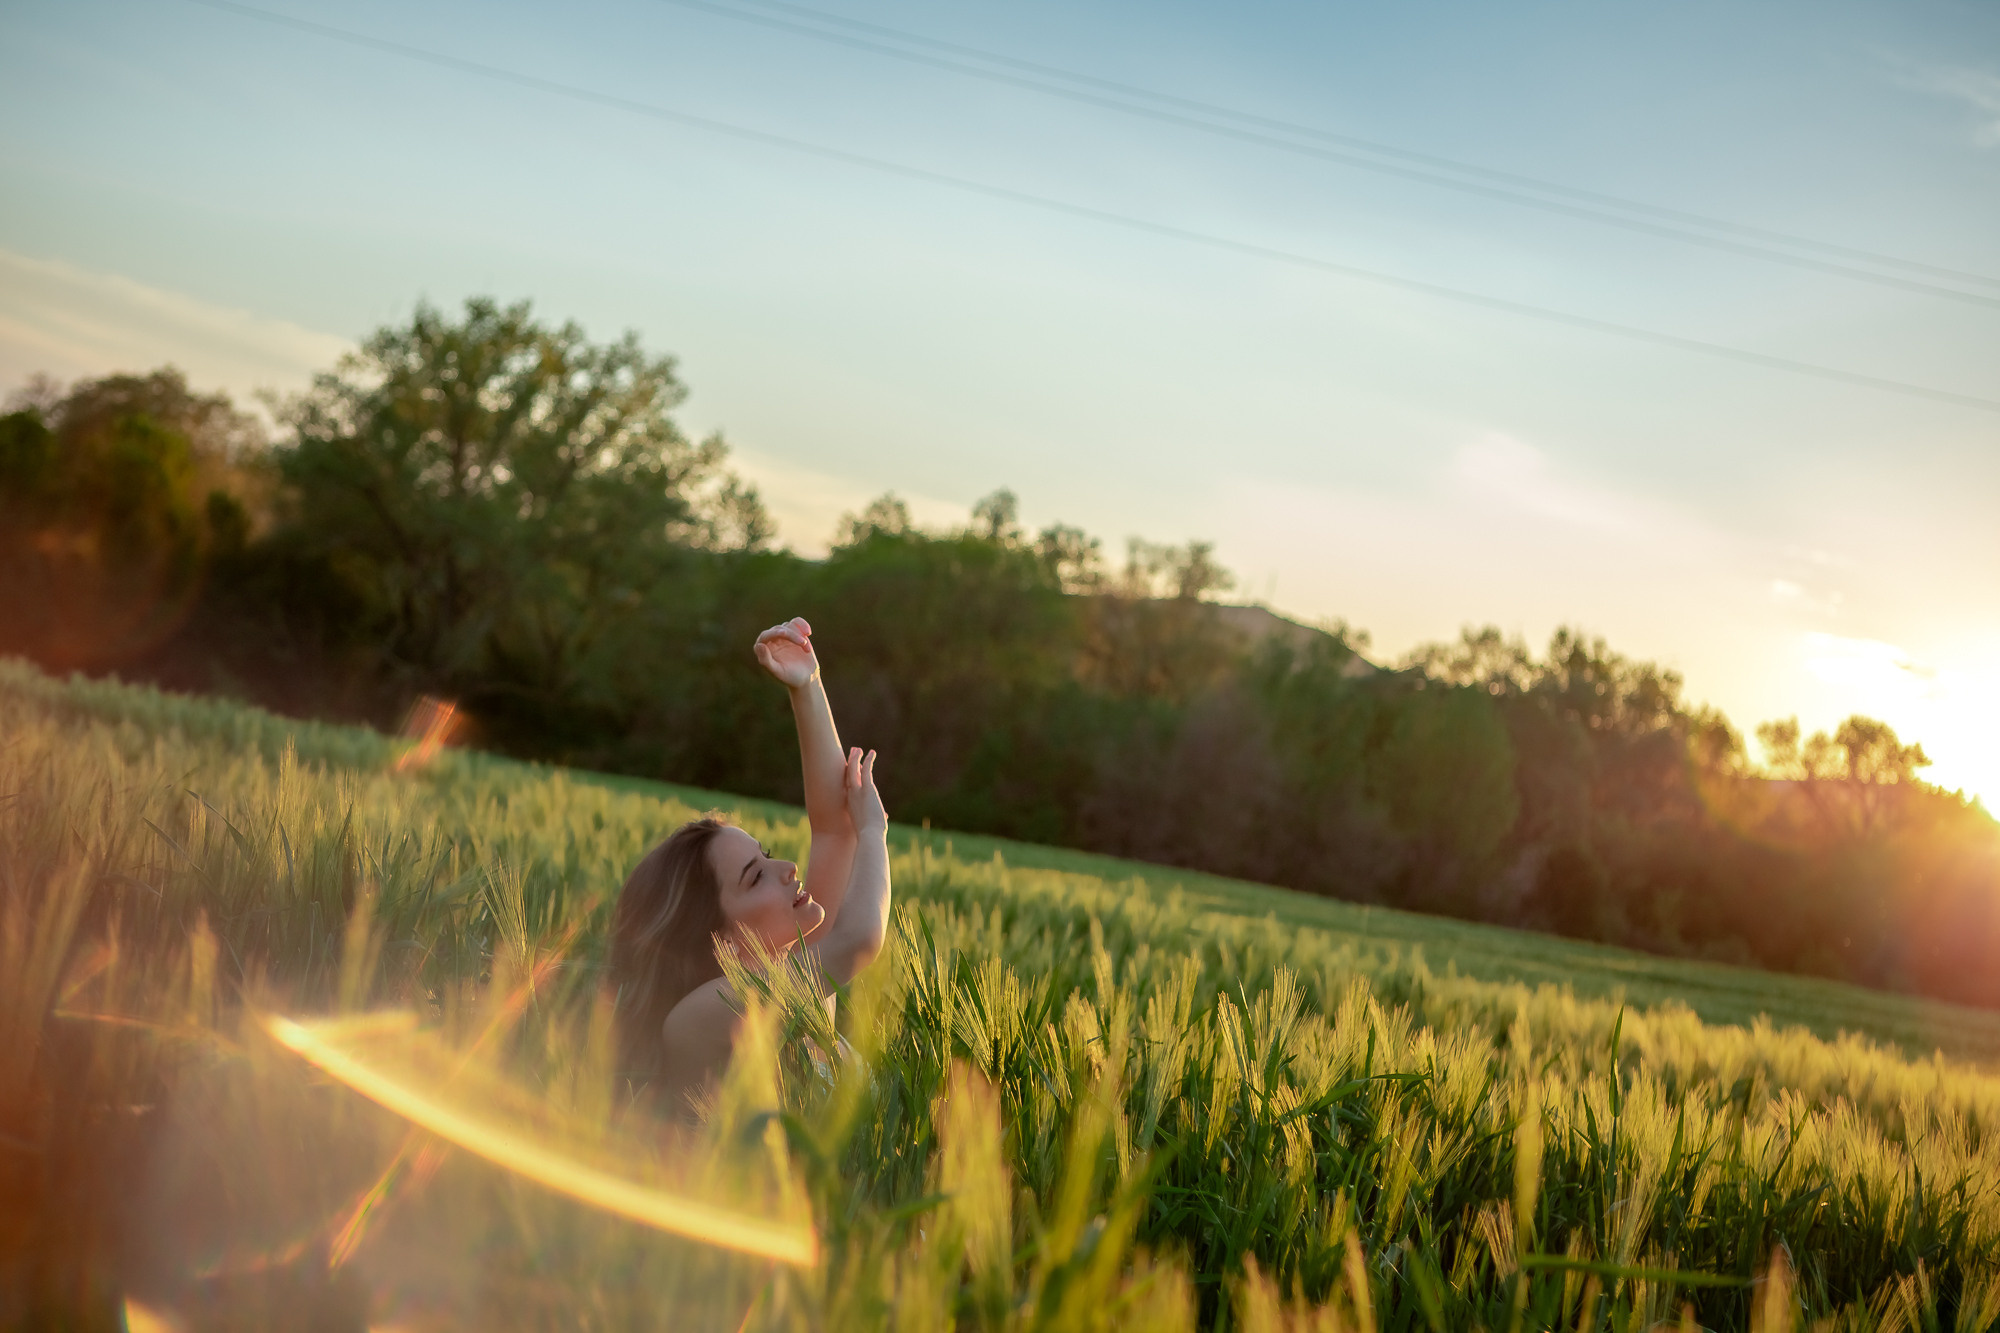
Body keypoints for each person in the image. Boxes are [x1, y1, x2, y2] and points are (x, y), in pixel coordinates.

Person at [607, 617, 889, 1115]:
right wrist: (875, 832)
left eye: (766, 854)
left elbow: (831, 829)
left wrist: (807, 685)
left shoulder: (803, 975)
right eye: (755, 876)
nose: (787, 868)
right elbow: (859, 938)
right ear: (715, 936)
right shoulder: (695, 1019)